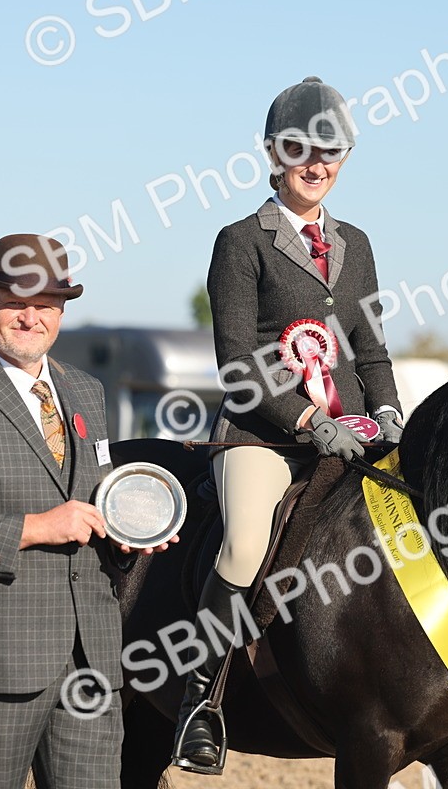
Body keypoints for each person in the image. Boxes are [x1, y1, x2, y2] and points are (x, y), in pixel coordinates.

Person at [171, 77, 404, 774]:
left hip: (356, 427)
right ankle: (200, 701)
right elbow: (237, 364)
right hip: (264, 434)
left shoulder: (355, 243)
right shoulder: (240, 241)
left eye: (331, 151)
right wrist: (305, 420)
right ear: (274, 153)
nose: (317, 163)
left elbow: (372, 347)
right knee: (244, 546)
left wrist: (390, 410)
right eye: (301, 148)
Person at [0, 234, 173, 788]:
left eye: (46, 305)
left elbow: (90, 502)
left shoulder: (86, 392)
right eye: (16, 302)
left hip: (92, 660)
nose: (31, 317)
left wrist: (125, 532)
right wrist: (38, 527)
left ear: (62, 312)